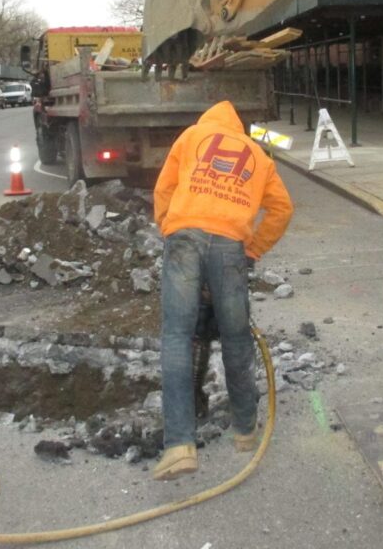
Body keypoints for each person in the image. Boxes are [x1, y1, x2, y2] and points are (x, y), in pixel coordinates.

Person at [152, 100, 293, 480]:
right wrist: (253, 249)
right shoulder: (258, 155)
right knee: (235, 338)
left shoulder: (192, 137)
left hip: (185, 238)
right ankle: (245, 431)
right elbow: (282, 209)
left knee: (178, 336)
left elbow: (164, 189)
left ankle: (179, 444)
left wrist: (170, 229)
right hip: (231, 245)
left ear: (208, 121)